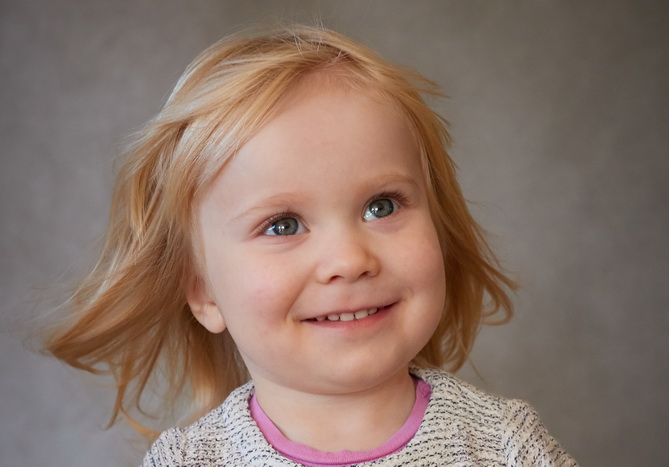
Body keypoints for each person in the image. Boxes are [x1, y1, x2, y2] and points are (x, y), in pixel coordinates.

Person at [44, 25, 578, 466]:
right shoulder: (189, 461)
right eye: (282, 225)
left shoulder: (506, 445)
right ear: (204, 292)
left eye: (382, 206)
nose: (349, 260)